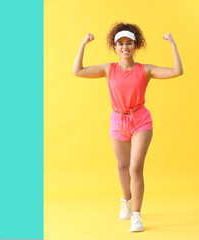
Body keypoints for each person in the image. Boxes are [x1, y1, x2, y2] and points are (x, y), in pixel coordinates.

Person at [72, 22, 183, 232]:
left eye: (129, 43)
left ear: (135, 45)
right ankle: (126, 201)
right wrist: (83, 44)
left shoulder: (145, 69)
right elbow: (77, 71)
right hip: (118, 121)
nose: (125, 47)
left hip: (141, 120)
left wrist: (173, 44)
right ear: (115, 47)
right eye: (121, 43)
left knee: (135, 167)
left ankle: (137, 216)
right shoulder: (108, 69)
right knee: (122, 166)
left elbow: (177, 71)